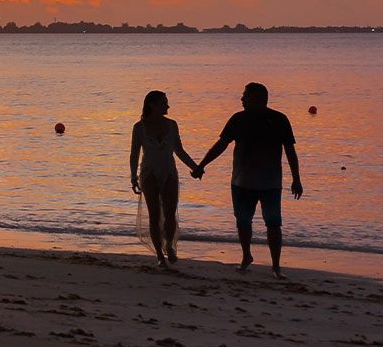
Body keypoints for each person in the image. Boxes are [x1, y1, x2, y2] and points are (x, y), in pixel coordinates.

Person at [194, 82, 303, 277]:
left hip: (270, 183)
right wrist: (202, 165)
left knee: (273, 222)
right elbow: (221, 144)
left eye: (245, 96)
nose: (241, 99)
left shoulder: (278, 119)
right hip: (241, 181)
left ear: (258, 99)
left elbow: (290, 150)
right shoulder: (238, 119)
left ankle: (276, 266)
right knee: (243, 221)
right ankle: (246, 257)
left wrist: (296, 179)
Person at [128, 90, 199, 266]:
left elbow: (179, 151)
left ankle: (169, 245)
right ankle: (160, 255)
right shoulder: (139, 127)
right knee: (154, 214)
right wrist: (133, 176)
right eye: (164, 103)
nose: (167, 106)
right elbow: (134, 153)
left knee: (169, 213)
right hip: (148, 172)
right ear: (152, 105)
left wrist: (195, 167)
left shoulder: (172, 125)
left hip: (168, 171)